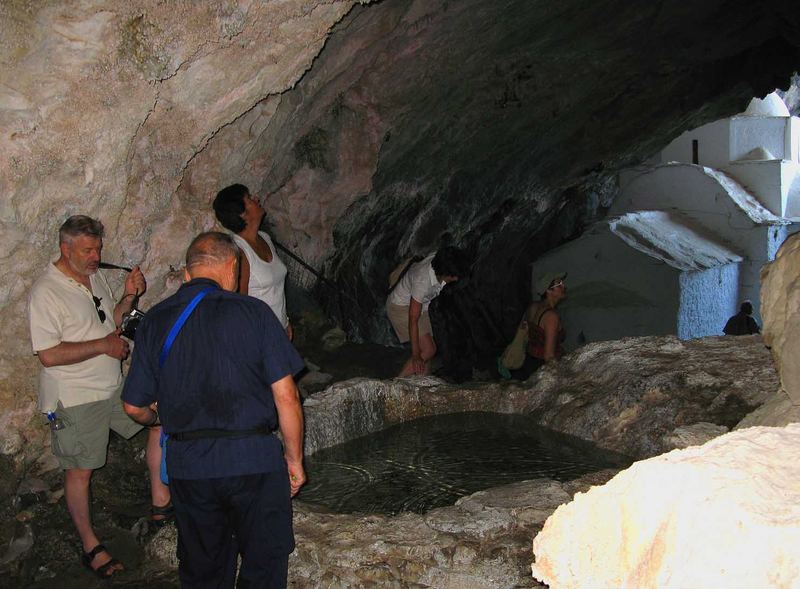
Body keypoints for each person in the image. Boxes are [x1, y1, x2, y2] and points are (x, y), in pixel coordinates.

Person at [122, 232, 305, 589]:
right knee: (264, 566)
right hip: (253, 461)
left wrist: (157, 418)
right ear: (232, 269)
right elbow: (287, 397)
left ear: (188, 275)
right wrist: (295, 460)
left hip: (190, 466)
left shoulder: (156, 320)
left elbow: (133, 406)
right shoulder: (254, 312)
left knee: (204, 570)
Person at [27, 215, 170, 579]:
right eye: (88, 250)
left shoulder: (94, 277)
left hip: (111, 387)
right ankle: (91, 546)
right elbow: (48, 354)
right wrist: (103, 346)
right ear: (65, 248)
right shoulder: (46, 291)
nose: (96, 255)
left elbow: (113, 322)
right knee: (81, 472)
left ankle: (160, 505)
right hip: (74, 397)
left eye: (98, 249)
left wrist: (128, 295)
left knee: (159, 419)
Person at [213, 183, 293, 340]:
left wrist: (285, 322)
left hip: (278, 328)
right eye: (249, 198)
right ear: (242, 214)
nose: (256, 198)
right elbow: (239, 303)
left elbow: (275, 291)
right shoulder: (239, 252)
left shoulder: (265, 238)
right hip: (260, 335)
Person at [386, 246, 466, 376]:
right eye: (454, 276)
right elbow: (413, 319)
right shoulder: (422, 281)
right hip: (400, 307)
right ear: (445, 274)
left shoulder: (440, 259)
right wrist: (416, 355)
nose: (456, 279)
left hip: (420, 305)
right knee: (428, 350)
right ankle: (395, 386)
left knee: (427, 352)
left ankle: (422, 385)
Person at [498, 272, 567, 380]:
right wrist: (558, 377)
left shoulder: (533, 307)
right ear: (548, 291)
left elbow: (523, 330)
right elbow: (548, 356)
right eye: (559, 284)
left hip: (529, 362)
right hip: (541, 369)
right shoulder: (551, 317)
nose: (564, 286)